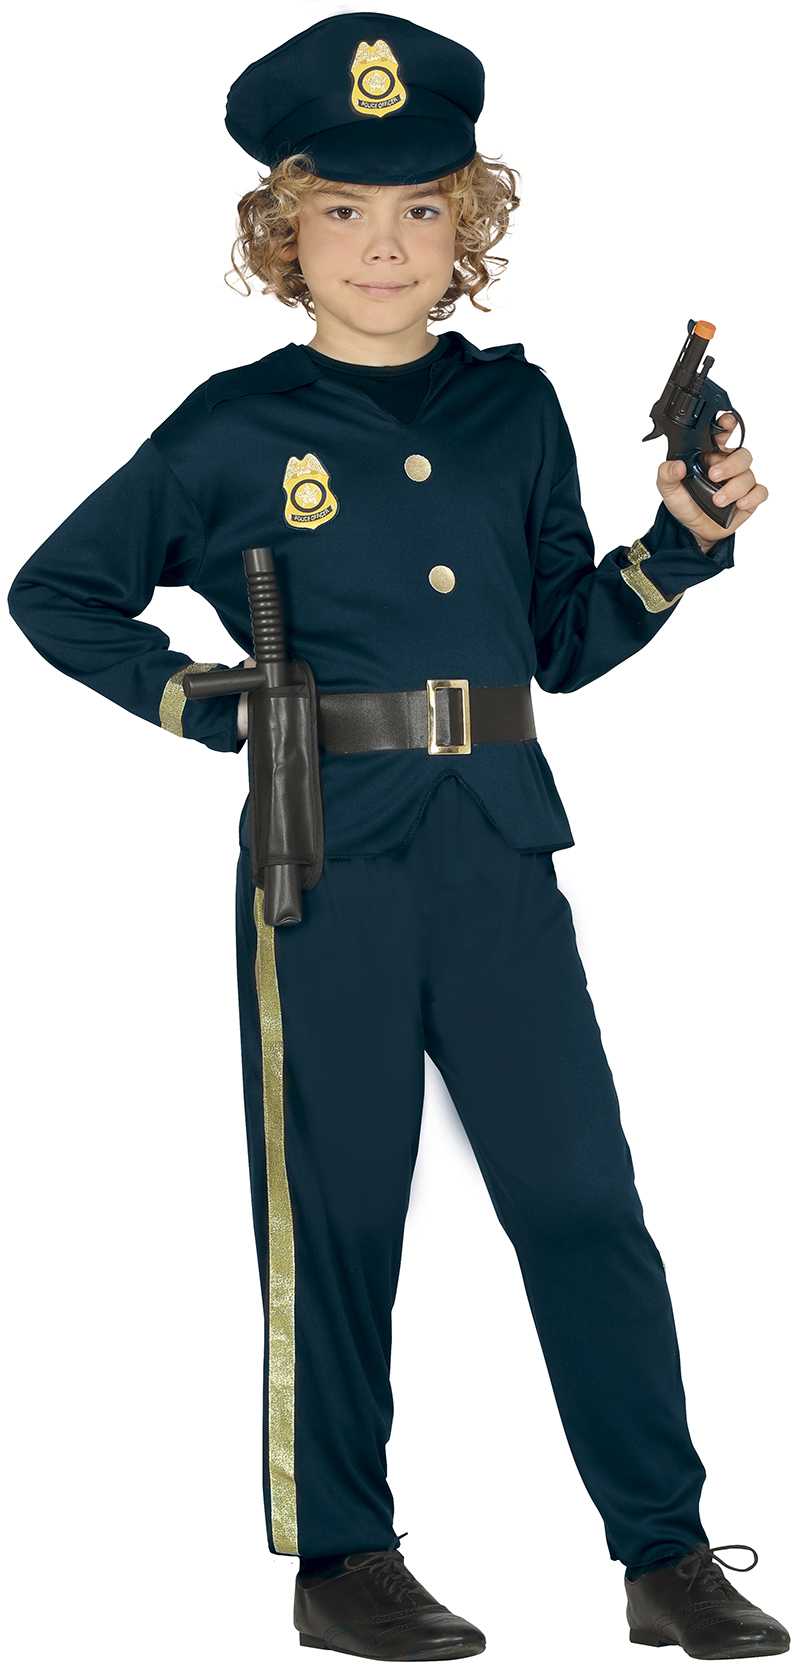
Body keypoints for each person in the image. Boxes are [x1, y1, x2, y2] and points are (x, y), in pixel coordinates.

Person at [7, 10, 790, 1663]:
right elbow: (56, 593)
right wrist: (201, 702)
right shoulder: (230, 430)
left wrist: (679, 547)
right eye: (343, 210)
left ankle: (664, 1553)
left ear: (467, 224)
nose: (384, 244)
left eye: (423, 207)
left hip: (498, 849)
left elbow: (563, 639)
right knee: (339, 1214)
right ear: (281, 233)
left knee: (583, 1200)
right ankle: (341, 1561)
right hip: (328, 863)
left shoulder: (518, 410)